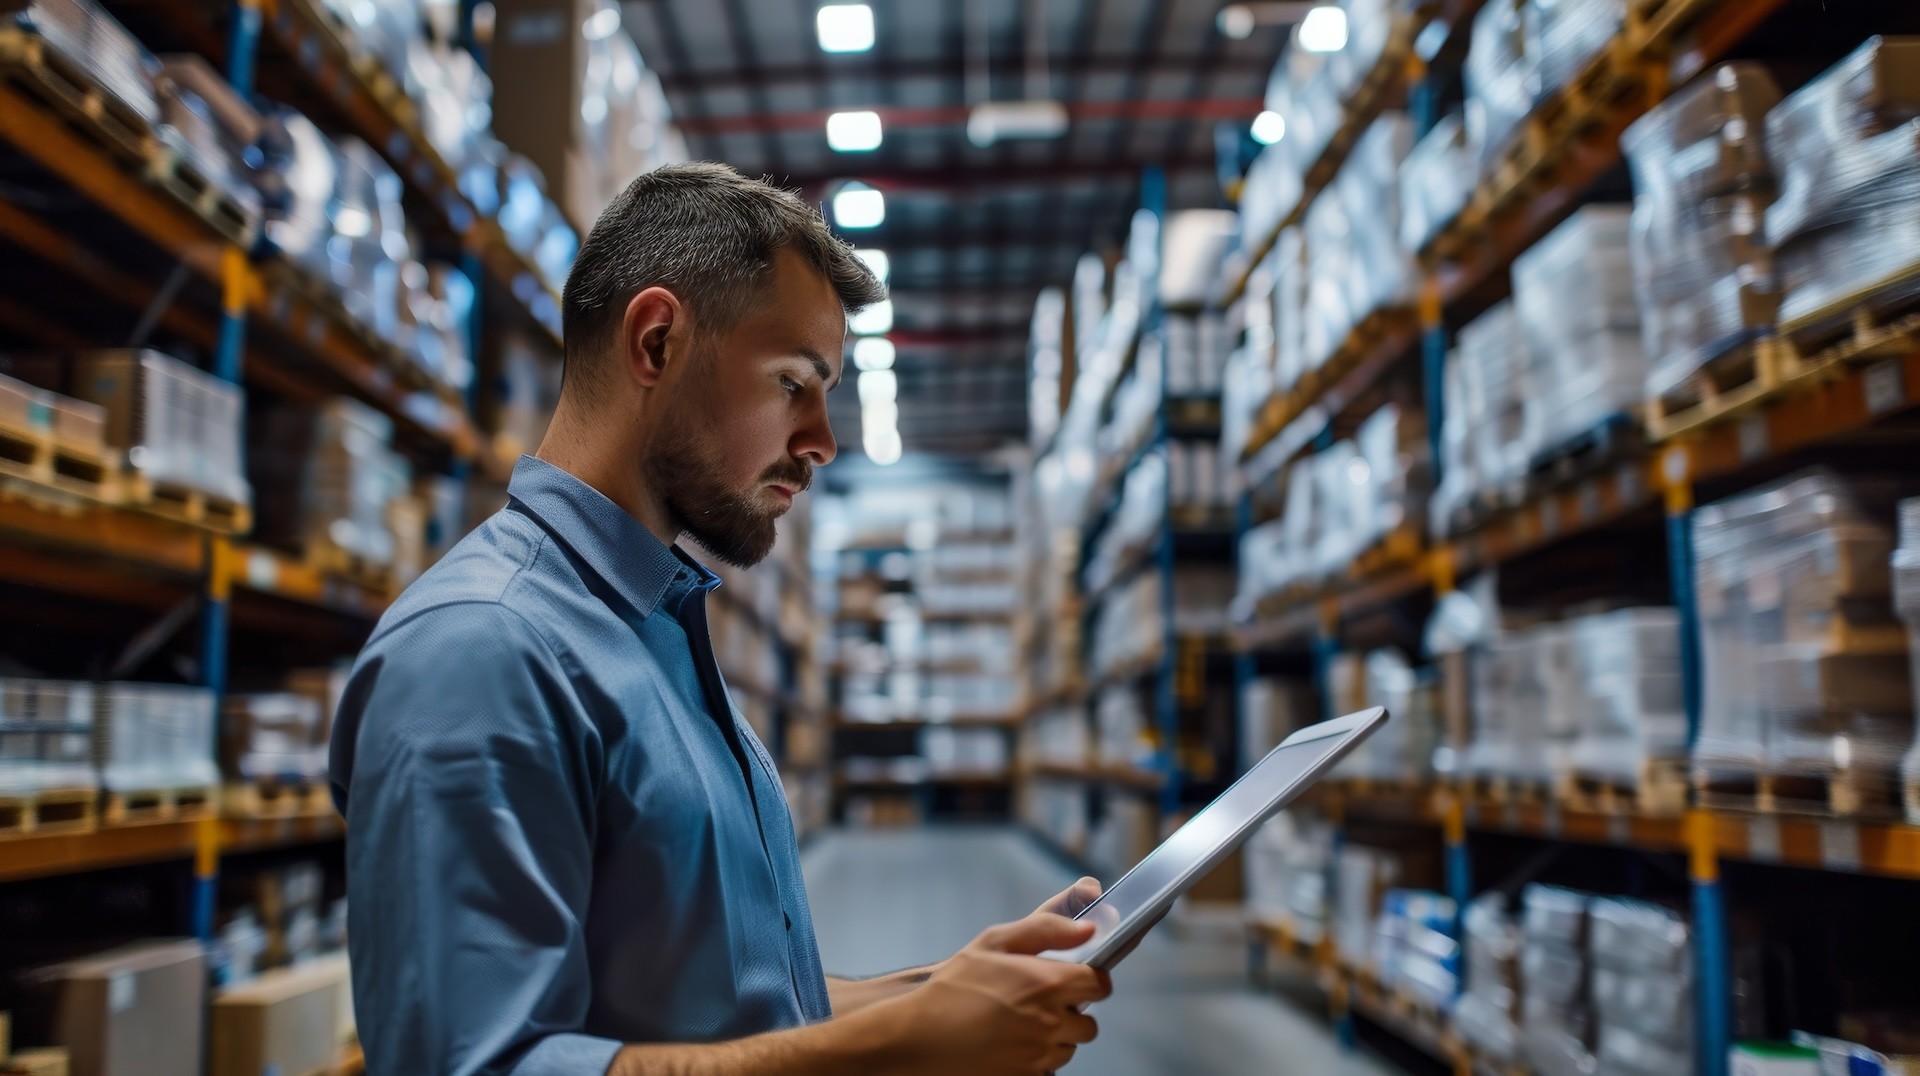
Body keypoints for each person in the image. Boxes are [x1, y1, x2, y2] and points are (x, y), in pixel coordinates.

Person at [328, 162, 1111, 1075]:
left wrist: (946, 990)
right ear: (656, 343)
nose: (821, 440)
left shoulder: (654, 631)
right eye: (792, 382)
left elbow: (729, 1006)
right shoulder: (481, 652)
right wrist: (900, 1047)